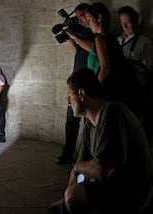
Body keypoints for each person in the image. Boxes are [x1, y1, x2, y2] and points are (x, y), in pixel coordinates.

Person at [49, 68, 153, 214]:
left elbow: (102, 169)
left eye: (69, 97)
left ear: (81, 94)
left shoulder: (112, 112)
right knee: (71, 195)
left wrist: (77, 171)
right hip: (114, 185)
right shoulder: (88, 125)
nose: (68, 103)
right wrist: (64, 197)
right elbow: (78, 170)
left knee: (75, 197)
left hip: (132, 191)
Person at [85, 2, 142, 119]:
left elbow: (105, 68)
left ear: (99, 18)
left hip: (106, 91)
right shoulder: (111, 37)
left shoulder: (100, 38)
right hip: (115, 90)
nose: (88, 23)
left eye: (89, 19)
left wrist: (94, 90)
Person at [55, 3, 94, 165]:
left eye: (82, 16)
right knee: (71, 120)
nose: (79, 20)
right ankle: (67, 153)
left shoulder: (94, 33)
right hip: (76, 82)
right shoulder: (81, 33)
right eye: (77, 17)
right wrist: (68, 38)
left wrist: (74, 35)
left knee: (88, 123)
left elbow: (91, 49)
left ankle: (87, 156)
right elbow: (79, 51)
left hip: (90, 83)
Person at [117, 5, 153, 145]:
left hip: (138, 90)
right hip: (121, 89)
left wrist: (132, 64)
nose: (126, 26)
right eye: (122, 22)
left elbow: (148, 69)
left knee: (138, 126)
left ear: (136, 21)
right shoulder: (118, 40)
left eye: (129, 21)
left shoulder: (145, 42)